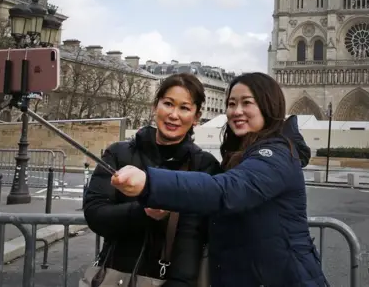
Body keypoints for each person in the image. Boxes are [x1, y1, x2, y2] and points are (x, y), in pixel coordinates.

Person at [111, 72, 328, 287]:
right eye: (231, 104)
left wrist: (150, 183)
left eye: (246, 103)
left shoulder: (277, 154)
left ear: (268, 105)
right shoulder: (242, 153)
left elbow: (226, 190)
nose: (236, 111)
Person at [83, 73, 221, 286]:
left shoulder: (205, 166)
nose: (174, 115)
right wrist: (144, 212)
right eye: (168, 104)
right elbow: (95, 214)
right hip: (114, 275)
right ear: (155, 106)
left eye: (184, 108)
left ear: (196, 116)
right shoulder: (118, 153)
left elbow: (193, 239)